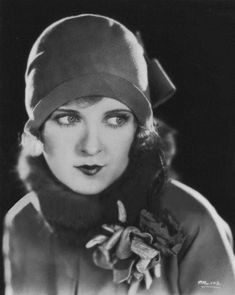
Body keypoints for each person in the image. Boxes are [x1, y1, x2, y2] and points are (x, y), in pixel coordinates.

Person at [2, 14, 235, 295]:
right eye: (68, 119)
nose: (90, 147)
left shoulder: (194, 223)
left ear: (138, 131)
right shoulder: (23, 222)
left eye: (115, 119)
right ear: (38, 132)